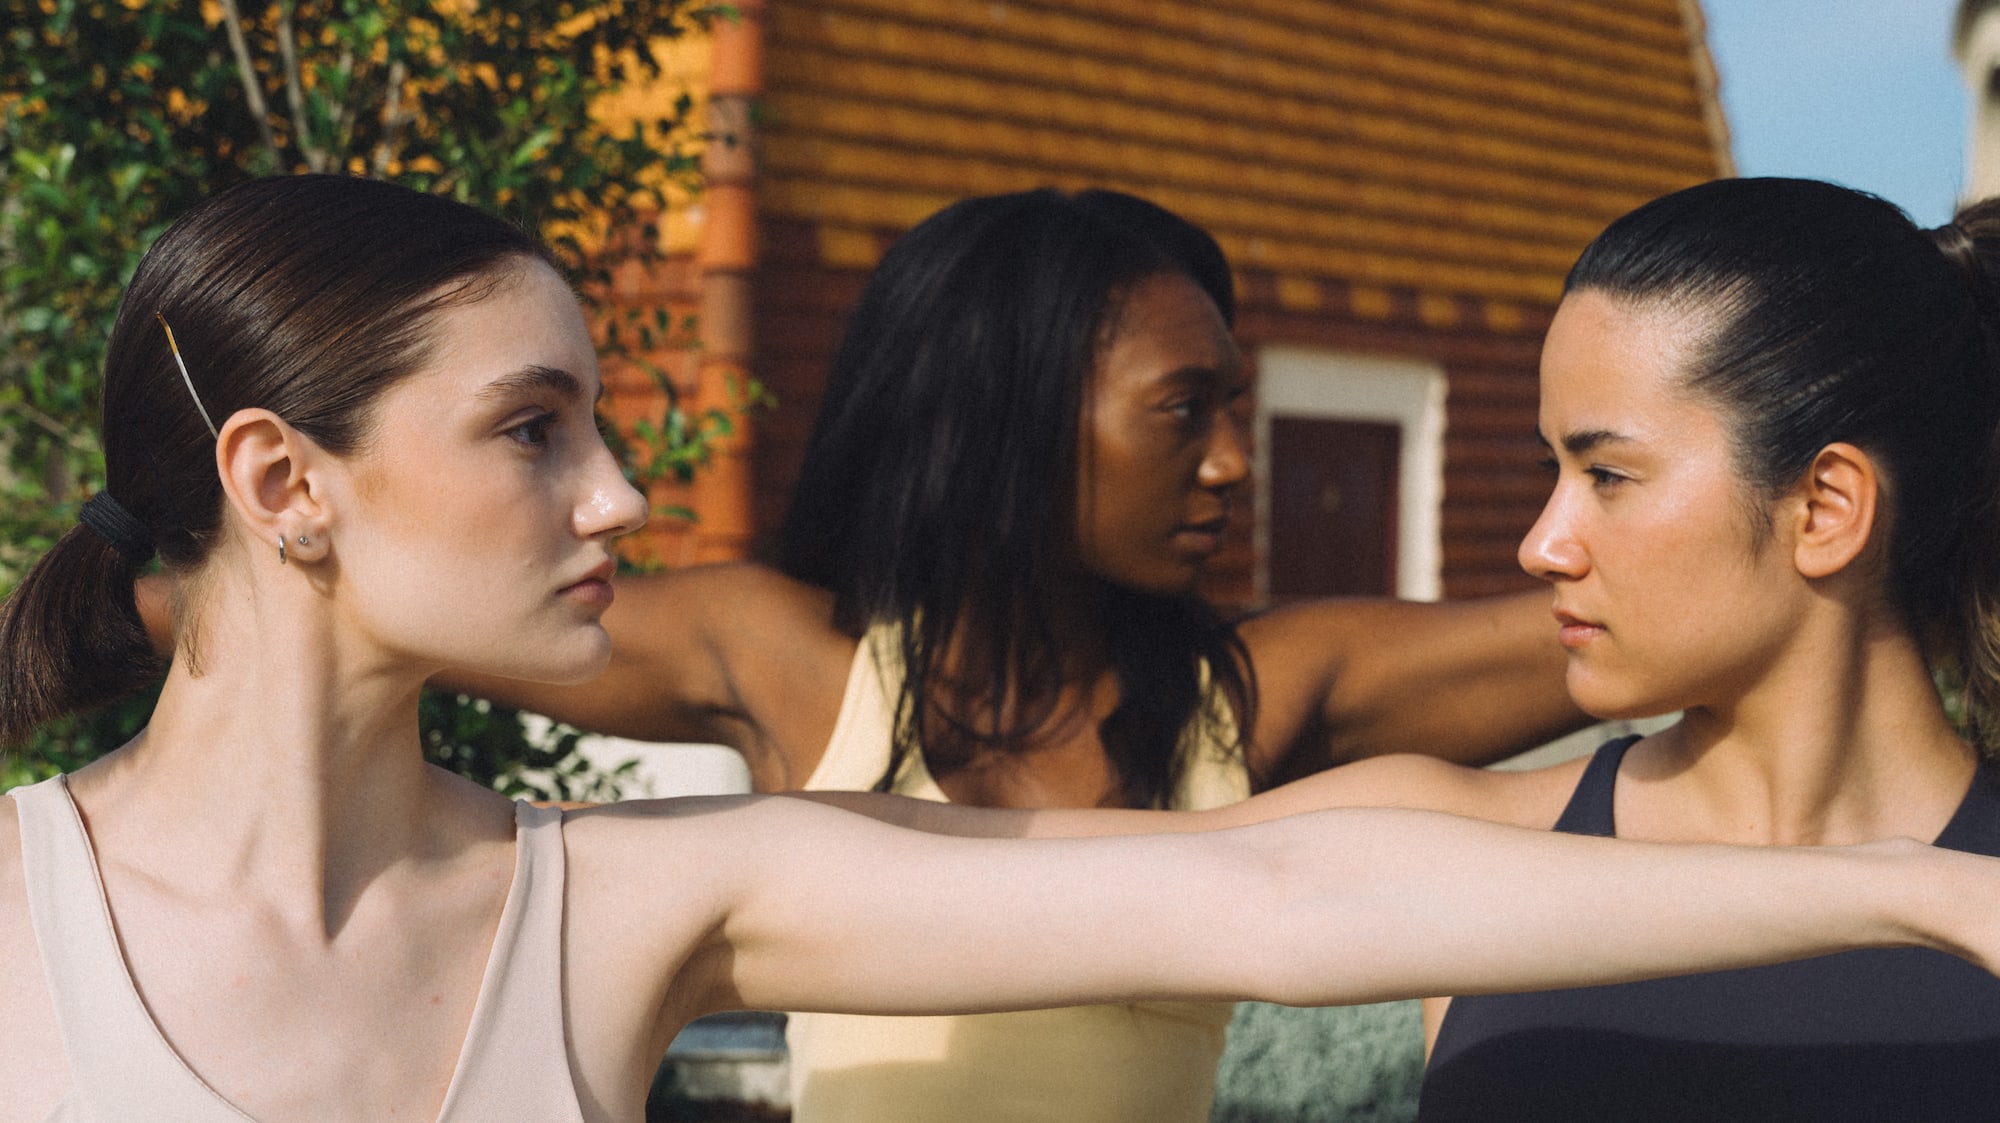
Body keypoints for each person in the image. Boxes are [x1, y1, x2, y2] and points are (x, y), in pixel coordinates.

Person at [13, 174, 2000, 1122]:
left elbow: (1284, 891)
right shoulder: (30, 917)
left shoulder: (631, 904)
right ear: (285, 482)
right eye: (537, 434)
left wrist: (1911, 894)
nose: (621, 494)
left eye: (601, 424)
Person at [434, 186, 1588, 1120]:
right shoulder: (786, 656)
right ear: (1013, 416)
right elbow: (406, 619)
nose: (1233, 462)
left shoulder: (1246, 694)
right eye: (1184, 410)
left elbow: (1629, 624)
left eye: (1234, 409)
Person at [867, 177, 2000, 1121]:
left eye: (1605, 475)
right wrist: (705, 858)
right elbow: (925, 890)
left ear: (1823, 507)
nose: (1540, 542)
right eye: (1553, 470)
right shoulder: (1442, 841)